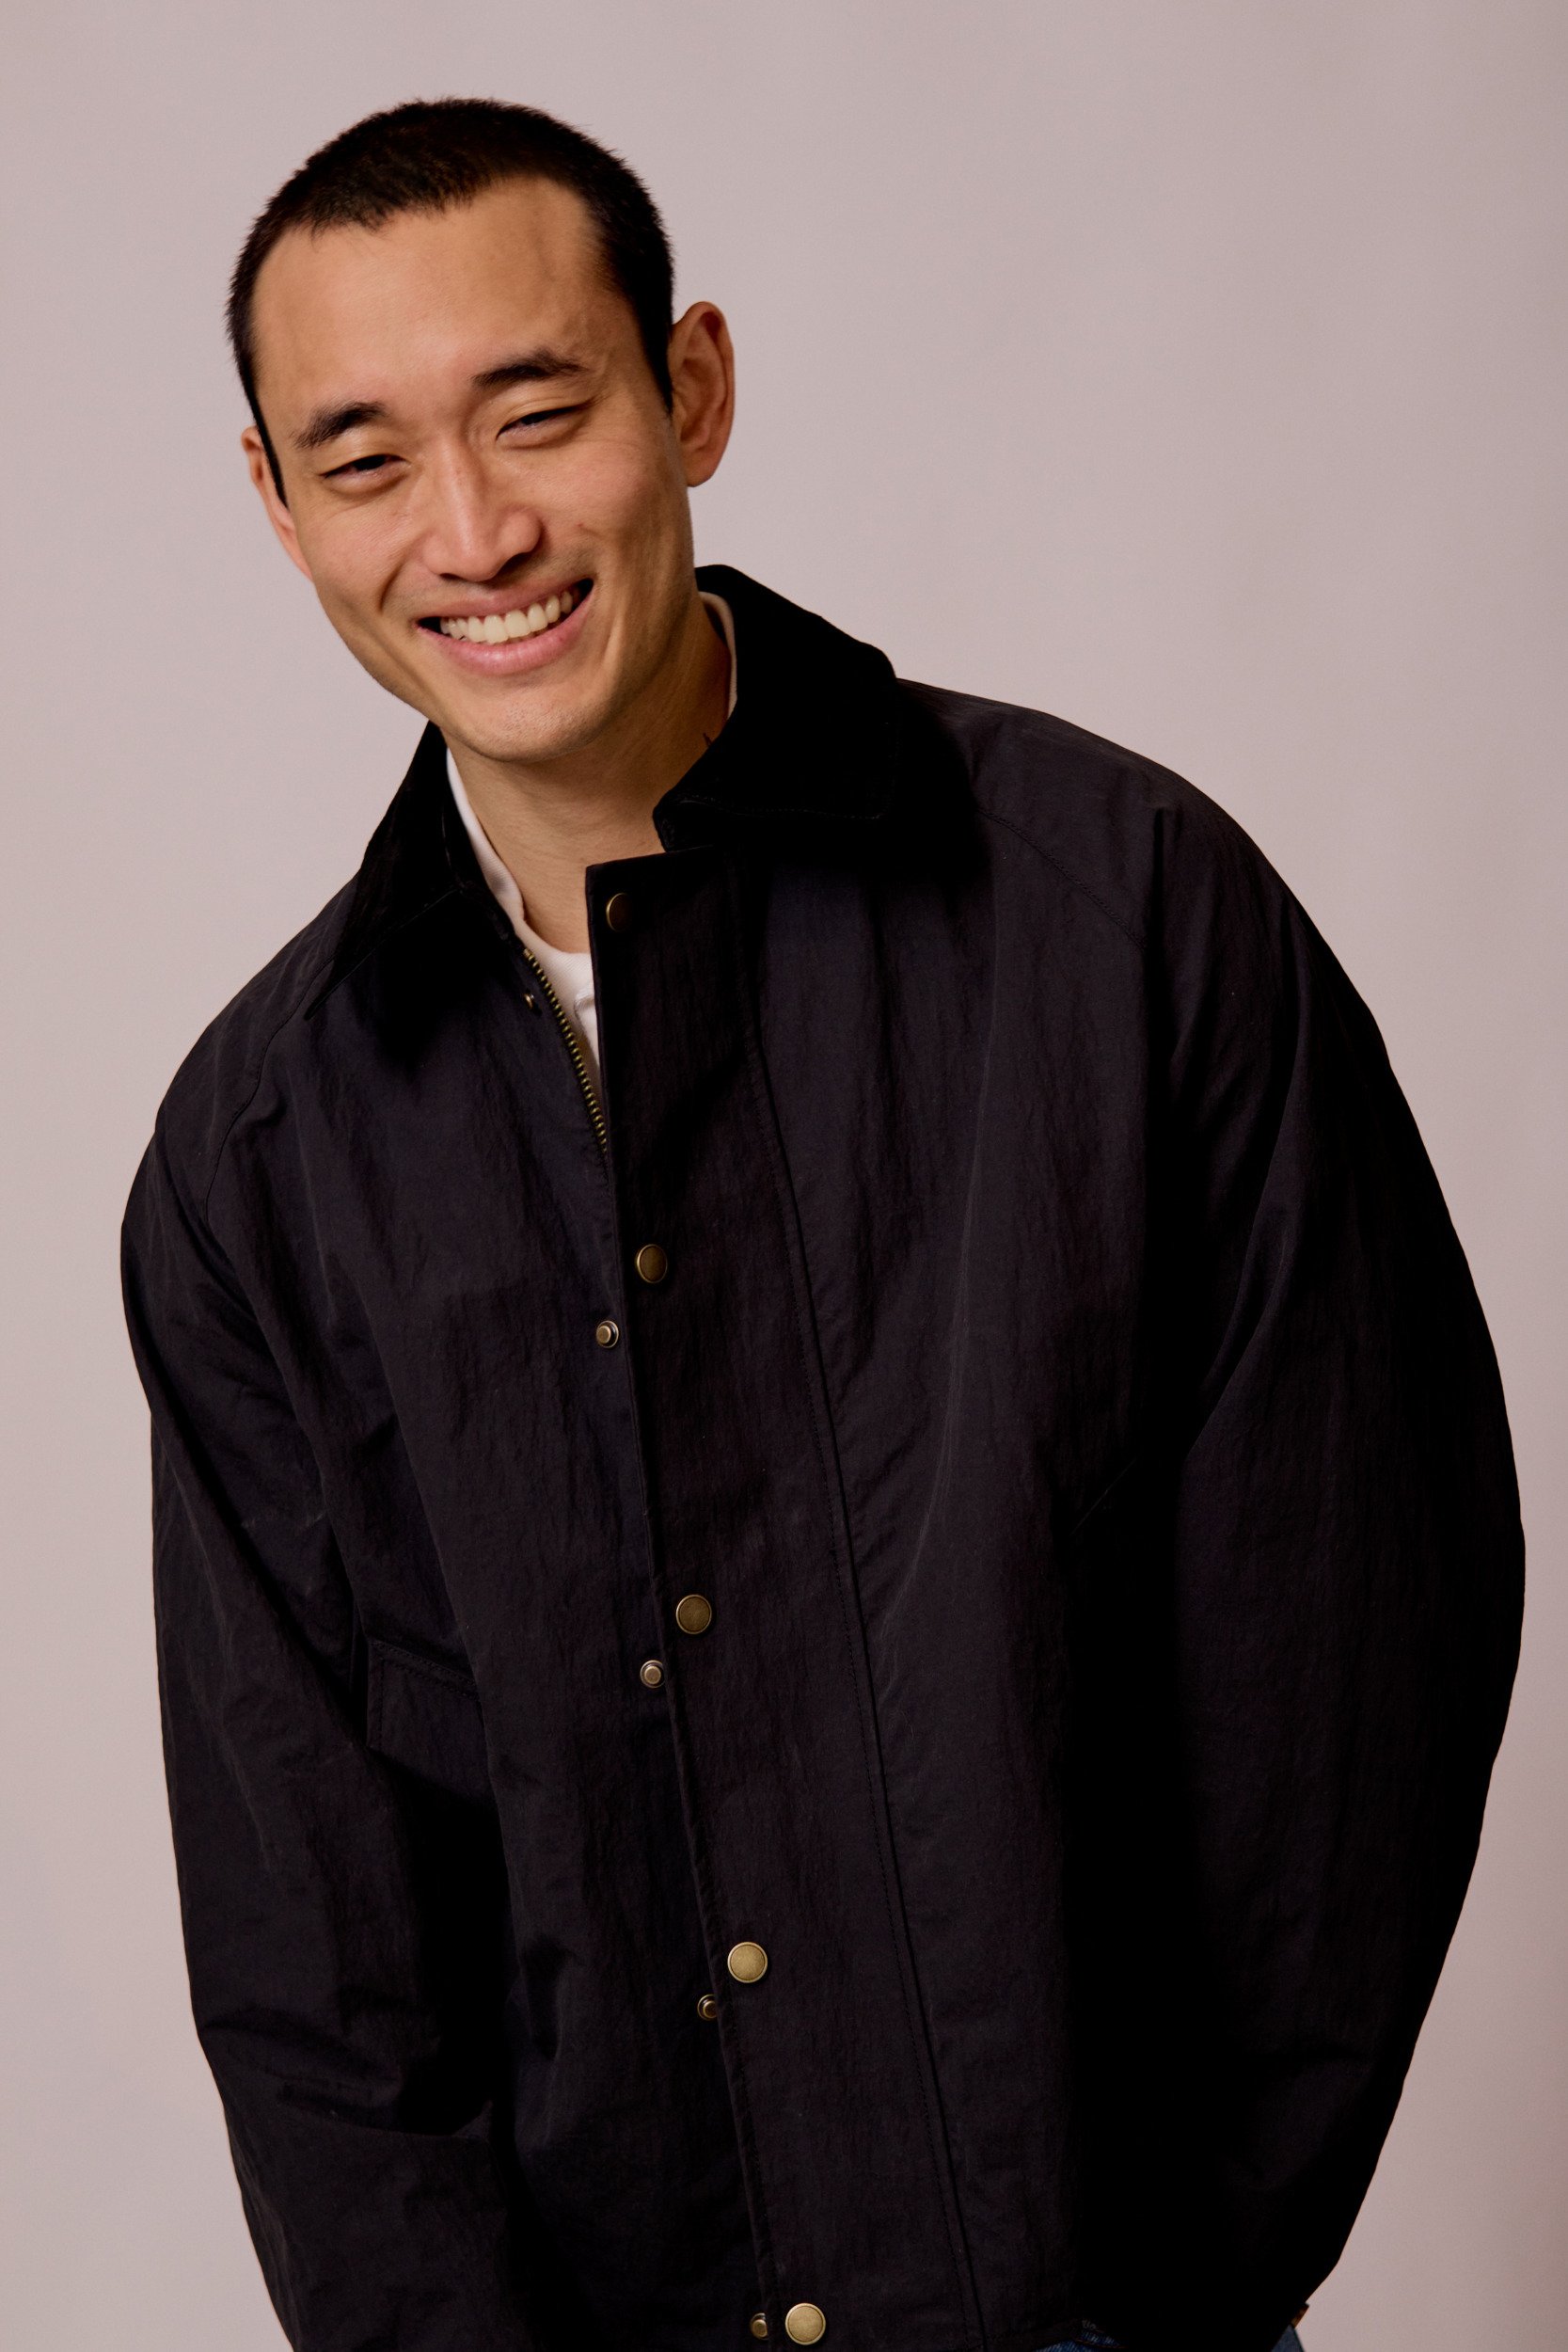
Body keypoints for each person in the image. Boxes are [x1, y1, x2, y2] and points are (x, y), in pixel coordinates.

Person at [120, 97, 1523, 2352]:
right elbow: (320, 1957)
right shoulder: (255, 1163)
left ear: (691, 390)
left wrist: (1165, 2292)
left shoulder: (1126, 919)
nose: (472, 531)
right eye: (364, 459)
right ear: (279, 506)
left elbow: (1359, 1649)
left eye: (538, 412)